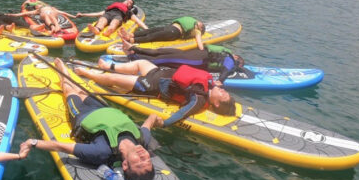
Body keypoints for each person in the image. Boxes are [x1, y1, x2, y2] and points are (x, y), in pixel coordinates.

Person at [19, 59, 162, 180]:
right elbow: (150, 120)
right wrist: (158, 120)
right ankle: (68, 75)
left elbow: (61, 146)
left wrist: (32, 143)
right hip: (102, 108)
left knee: (69, 90)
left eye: (139, 163)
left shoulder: (101, 152)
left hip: (82, 114)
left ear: (125, 164)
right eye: (147, 160)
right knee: (81, 90)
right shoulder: (143, 139)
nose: (143, 156)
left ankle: (62, 70)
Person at [72, 57, 237, 125]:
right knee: (141, 62)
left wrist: (164, 123)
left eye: (223, 95)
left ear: (216, 103)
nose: (223, 91)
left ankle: (88, 74)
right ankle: (109, 65)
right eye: (225, 92)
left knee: (114, 80)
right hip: (159, 73)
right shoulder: (210, 84)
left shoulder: (199, 98)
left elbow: (182, 113)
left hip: (152, 85)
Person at [122, 44, 245, 84]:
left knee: (163, 53)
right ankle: (133, 57)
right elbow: (226, 68)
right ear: (237, 59)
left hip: (195, 53)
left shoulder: (224, 51)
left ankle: (134, 49)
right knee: (165, 60)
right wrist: (221, 80)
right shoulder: (230, 59)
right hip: (197, 60)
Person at [120, 16, 206, 50]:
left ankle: (131, 40)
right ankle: (130, 35)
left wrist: (203, 50)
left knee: (154, 36)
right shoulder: (193, 21)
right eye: (201, 22)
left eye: (201, 25)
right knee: (151, 30)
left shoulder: (197, 31)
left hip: (174, 32)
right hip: (170, 28)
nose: (200, 22)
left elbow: (199, 43)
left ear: (200, 28)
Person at [76, 0, 146, 37]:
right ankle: (97, 29)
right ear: (123, 1)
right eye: (127, 0)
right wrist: (82, 14)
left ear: (130, 7)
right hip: (108, 14)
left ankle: (109, 31)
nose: (128, 2)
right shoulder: (112, 7)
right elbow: (98, 13)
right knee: (102, 20)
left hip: (118, 16)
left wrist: (147, 29)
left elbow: (138, 21)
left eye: (130, 3)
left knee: (114, 22)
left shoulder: (128, 11)